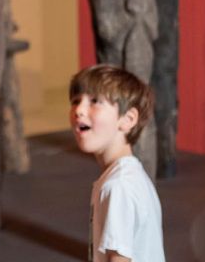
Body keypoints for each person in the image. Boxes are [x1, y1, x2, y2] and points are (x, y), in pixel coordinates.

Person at [70, 64, 164, 262]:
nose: (79, 110)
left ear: (128, 119)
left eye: (95, 101)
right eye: (76, 101)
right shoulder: (128, 177)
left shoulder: (119, 186)